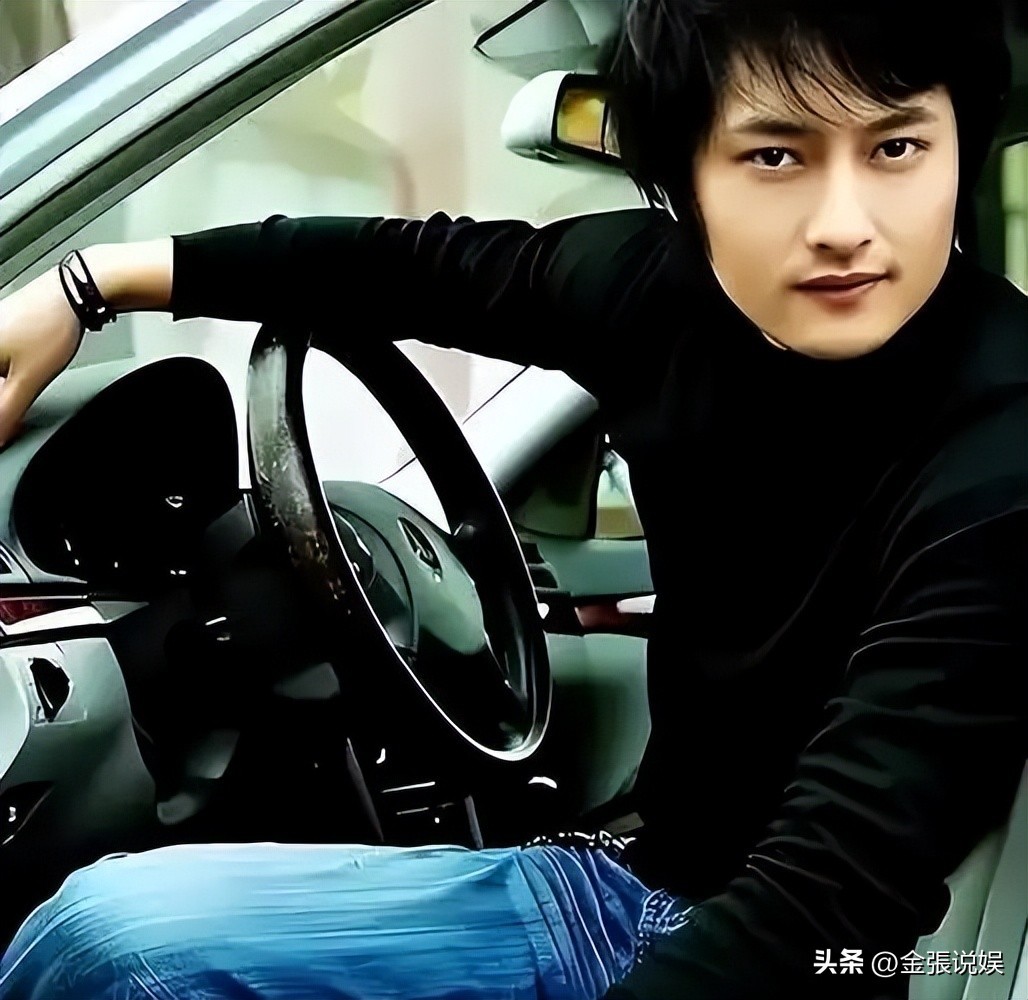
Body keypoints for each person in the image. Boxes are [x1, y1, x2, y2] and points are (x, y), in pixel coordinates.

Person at [0, 0, 1025, 997]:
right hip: (631, 886)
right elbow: (404, 265)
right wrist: (89, 285)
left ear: (958, 148)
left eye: (895, 148)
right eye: (775, 156)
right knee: (97, 939)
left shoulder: (1003, 436)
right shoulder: (656, 293)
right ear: (686, 180)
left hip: (808, 955)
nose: (844, 227)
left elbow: (830, 896)